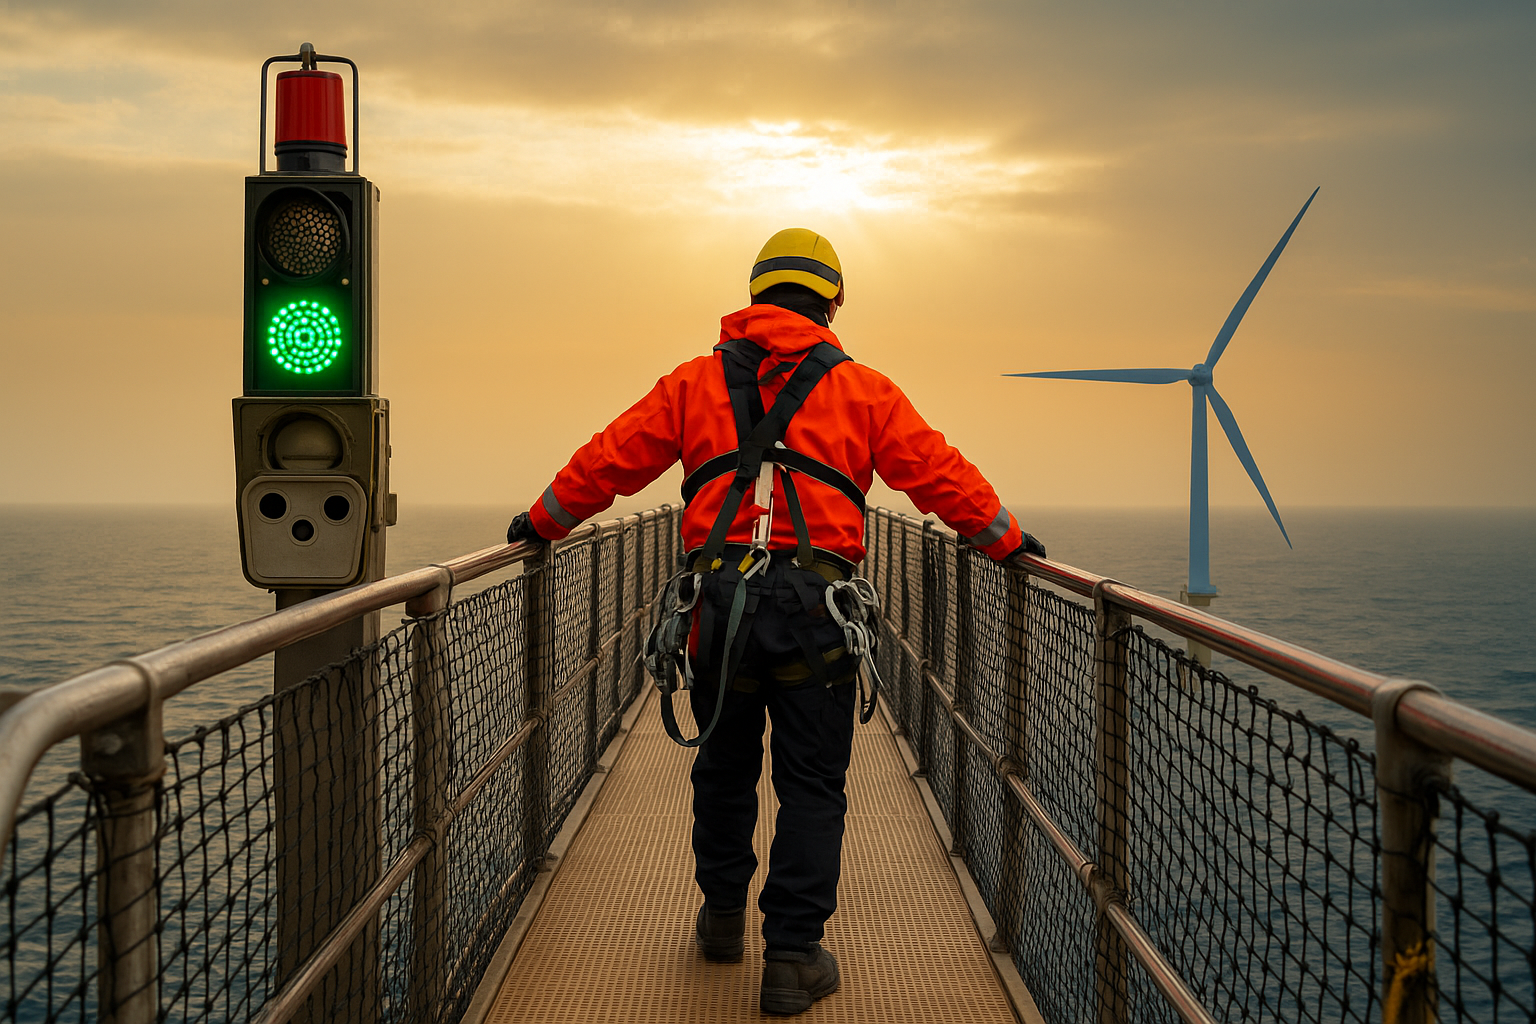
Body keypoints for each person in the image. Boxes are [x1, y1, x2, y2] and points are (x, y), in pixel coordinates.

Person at [506, 228, 1044, 1016]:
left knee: (723, 770)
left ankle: (722, 922)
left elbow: (609, 460)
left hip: (716, 613)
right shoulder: (863, 389)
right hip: (815, 617)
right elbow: (936, 472)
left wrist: (542, 522)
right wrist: (1002, 538)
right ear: (831, 301)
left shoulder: (693, 382)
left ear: (755, 296)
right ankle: (792, 958)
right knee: (811, 786)